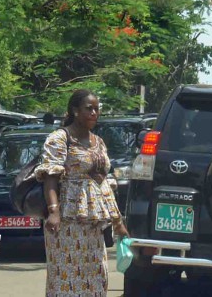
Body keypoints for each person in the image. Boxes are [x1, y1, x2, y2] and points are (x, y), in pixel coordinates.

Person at [37, 89, 128, 297]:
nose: (94, 113)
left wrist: (118, 221)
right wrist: (53, 211)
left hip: (95, 222)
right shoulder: (60, 139)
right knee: (66, 278)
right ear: (75, 111)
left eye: (97, 109)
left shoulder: (99, 142)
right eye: (89, 108)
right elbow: (50, 176)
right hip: (67, 221)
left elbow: (103, 183)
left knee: (96, 276)